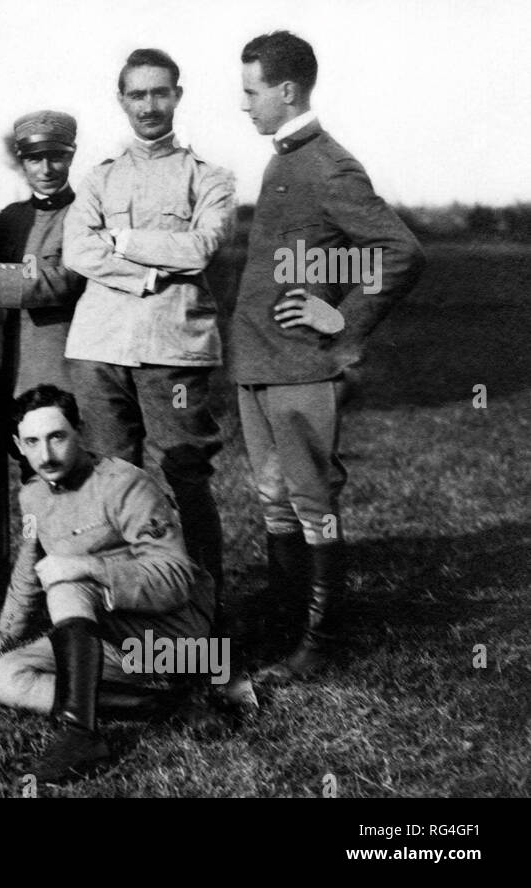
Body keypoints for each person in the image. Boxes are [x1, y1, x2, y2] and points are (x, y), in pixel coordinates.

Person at [235, 31, 426, 684]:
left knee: (311, 501)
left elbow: (399, 249)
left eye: (251, 91)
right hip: (258, 365)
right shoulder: (281, 158)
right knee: (274, 500)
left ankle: (320, 642)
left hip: (301, 366)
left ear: (286, 92)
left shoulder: (328, 164)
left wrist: (342, 319)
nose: (243, 105)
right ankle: (287, 624)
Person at [0, 385, 215, 783]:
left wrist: (88, 567)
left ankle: (80, 734)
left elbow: (176, 579)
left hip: (175, 642)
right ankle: (166, 705)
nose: (46, 455)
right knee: (6, 677)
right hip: (105, 640)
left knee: (66, 582)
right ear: (18, 445)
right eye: (32, 442)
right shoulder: (33, 495)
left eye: (57, 437)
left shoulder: (125, 483)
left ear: (79, 431)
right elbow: (31, 562)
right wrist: (5, 630)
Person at [61, 49, 234, 606]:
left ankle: (206, 604)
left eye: (161, 92)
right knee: (111, 480)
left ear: (178, 96)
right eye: (138, 95)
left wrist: (127, 243)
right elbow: (77, 251)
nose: (150, 106)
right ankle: (122, 604)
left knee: (186, 471)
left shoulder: (210, 177)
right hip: (100, 345)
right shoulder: (99, 178)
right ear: (122, 102)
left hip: (173, 345)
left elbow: (203, 247)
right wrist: (153, 273)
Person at [0, 110, 88, 479]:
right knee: (30, 473)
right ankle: (33, 539)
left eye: (56, 156)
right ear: (22, 161)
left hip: (66, 367)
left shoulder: (85, 214)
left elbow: (69, 280)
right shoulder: (11, 218)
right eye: (34, 158)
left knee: (70, 466)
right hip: (15, 371)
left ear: (71, 155)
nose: (46, 168)